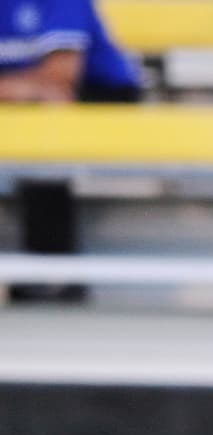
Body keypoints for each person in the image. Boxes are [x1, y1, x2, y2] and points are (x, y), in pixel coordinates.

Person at [0, 0, 142, 302]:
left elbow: (59, 82)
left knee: (40, 132)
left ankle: (53, 270)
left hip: (102, 97)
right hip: (21, 103)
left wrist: (25, 90)